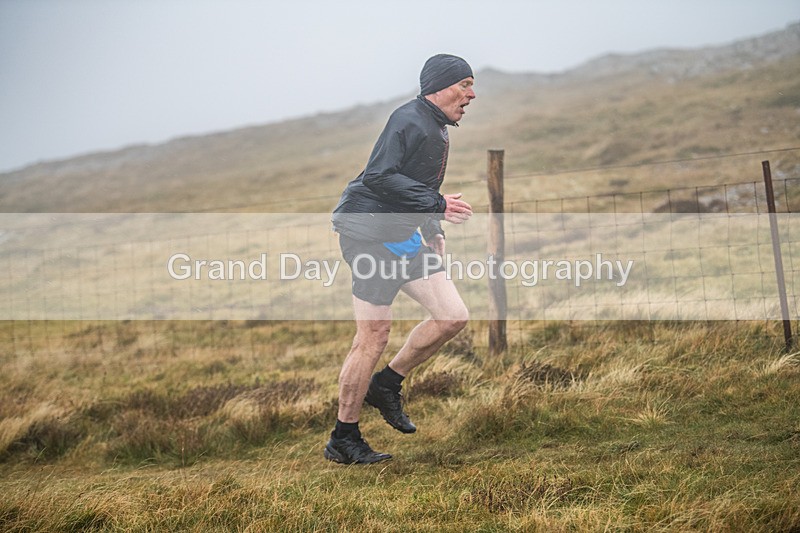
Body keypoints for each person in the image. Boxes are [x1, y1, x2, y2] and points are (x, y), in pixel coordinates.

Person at [325, 54, 476, 464]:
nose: (471, 95)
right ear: (440, 86)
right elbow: (379, 176)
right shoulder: (408, 119)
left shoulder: (437, 128)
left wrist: (432, 228)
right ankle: (343, 437)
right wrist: (438, 205)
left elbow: (415, 186)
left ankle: (386, 385)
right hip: (367, 235)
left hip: (403, 235)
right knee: (373, 336)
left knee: (452, 316)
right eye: (464, 85)